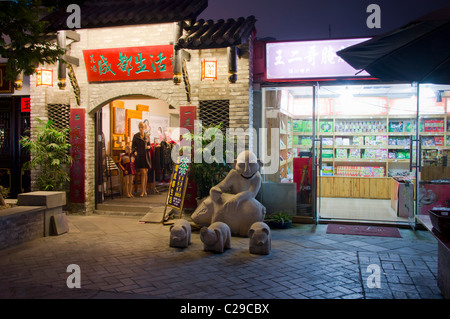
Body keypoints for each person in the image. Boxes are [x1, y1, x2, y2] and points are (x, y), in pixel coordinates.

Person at [132, 121, 152, 196]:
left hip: (146, 156)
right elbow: (133, 146)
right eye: (139, 127)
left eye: (142, 127)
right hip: (140, 156)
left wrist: (149, 147)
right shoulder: (136, 136)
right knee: (143, 172)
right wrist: (134, 151)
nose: (141, 128)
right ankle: (143, 190)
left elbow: (150, 146)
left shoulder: (147, 136)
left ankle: (144, 190)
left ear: (144, 128)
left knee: (145, 173)